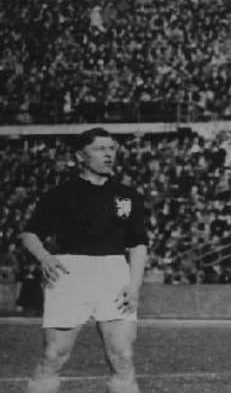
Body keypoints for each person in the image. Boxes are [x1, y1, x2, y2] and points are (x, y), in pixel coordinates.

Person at [20, 128, 149, 393]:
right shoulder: (60, 194)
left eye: (111, 148)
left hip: (114, 273)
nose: (108, 154)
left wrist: (134, 284)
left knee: (122, 355)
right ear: (81, 155)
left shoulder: (127, 196)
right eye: (100, 149)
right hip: (70, 273)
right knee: (55, 354)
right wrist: (44, 257)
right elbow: (29, 234)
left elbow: (138, 244)